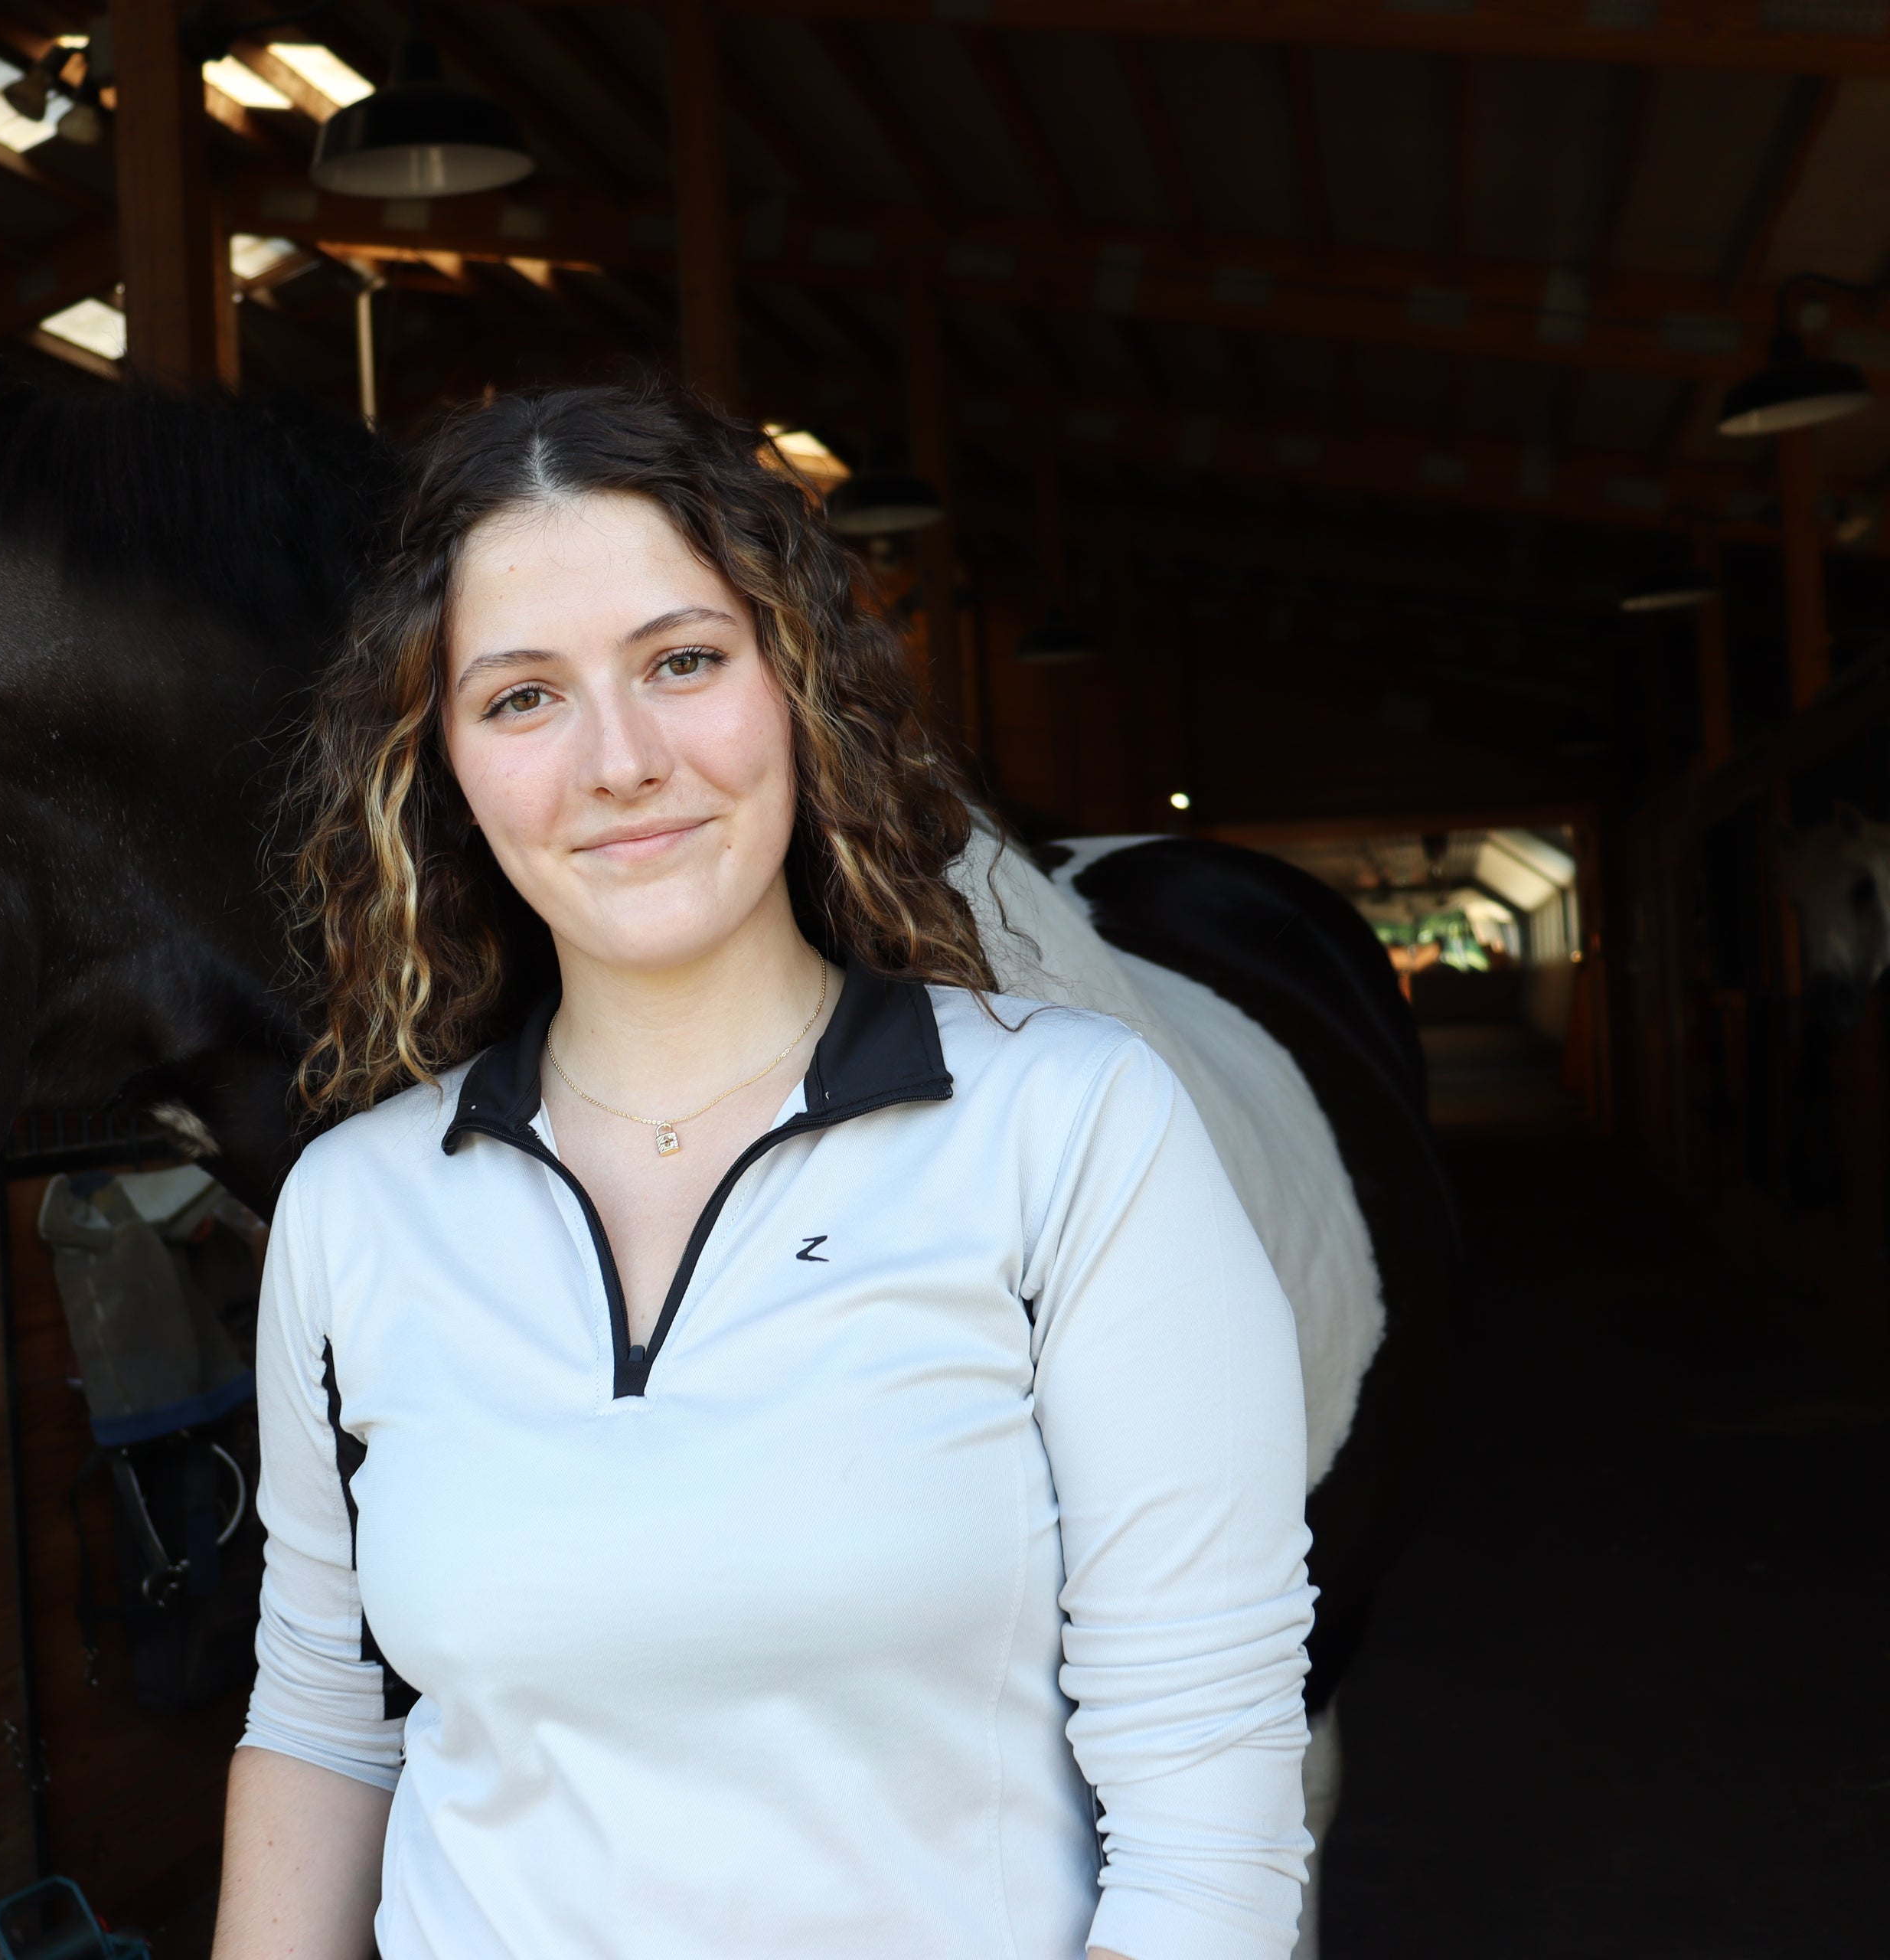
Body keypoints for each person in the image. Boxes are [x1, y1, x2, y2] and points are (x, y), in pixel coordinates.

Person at [215, 386, 1314, 1960]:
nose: (620, 760)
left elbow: (1207, 1796)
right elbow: (325, 1720)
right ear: (440, 759)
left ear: (795, 684)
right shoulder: (355, 1205)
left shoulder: (1065, 1128)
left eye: (682, 661)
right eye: (523, 697)